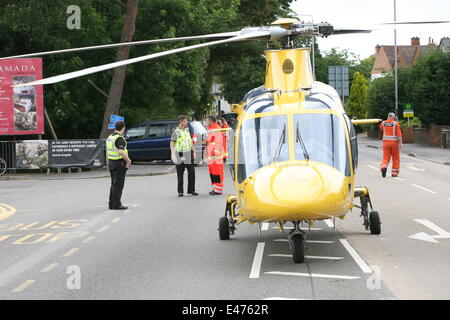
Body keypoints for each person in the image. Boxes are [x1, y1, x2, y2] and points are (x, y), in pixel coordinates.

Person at [170, 115, 198, 197]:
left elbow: (190, 141)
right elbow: (171, 144)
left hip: (188, 153)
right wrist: (173, 155)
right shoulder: (176, 131)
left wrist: (194, 151)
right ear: (181, 122)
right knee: (180, 173)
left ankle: (191, 190)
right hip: (179, 153)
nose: (187, 122)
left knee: (192, 172)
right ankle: (180, 191)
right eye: (185, 121)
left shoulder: (187, 130)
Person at [107, 120, 132, 210]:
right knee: (118, 184)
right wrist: (128, 160)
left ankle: (111, 204)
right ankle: (116, 204)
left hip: (111, 163)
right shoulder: (119, 138)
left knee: (114, 184)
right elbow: (121, 151)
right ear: (123, 128)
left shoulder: (110, 136)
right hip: (119, 163)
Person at [206, 115, 225, 195]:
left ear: (211, 121)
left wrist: (214, 153)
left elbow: (219, 143)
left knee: (217, 172)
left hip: (216, 156)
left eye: (207, 121)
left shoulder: (216, 129)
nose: (206, 122)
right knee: (213, 172)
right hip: (212, 155)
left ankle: (218, 189)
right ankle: (215, 188)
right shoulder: (211, 129)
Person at [379, 112, 403, 177]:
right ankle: (394, 173)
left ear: (388, 116)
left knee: (386, 158)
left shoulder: (383, 123)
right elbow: (399, 135)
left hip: (386, 143)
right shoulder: (396, 124)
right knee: (396, 158)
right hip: (394, 144)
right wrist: (401, 143)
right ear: (393, 117)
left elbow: (380, 128)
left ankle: (384, 166)